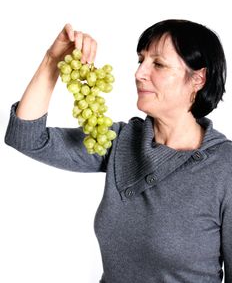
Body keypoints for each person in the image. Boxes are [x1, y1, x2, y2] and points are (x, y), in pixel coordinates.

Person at [4, 19, 232, 283]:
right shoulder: (119, 141)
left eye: (157, 64)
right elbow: (27, 137)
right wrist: (52, 60)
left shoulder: (225, 167)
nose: (139, 73)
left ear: (198, 78)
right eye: (140, 61)